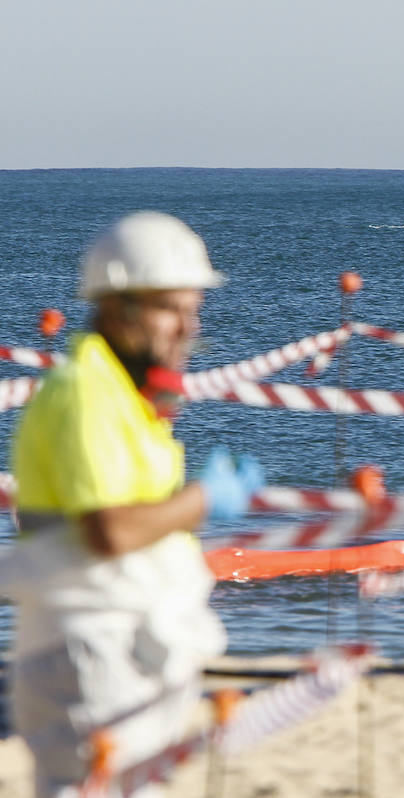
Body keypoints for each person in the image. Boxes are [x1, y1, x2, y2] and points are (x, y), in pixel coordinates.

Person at [3, 211, 265, 797]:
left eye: (193, 311)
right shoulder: (84, 392)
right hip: (87, 648)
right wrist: (203, 499)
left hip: (122, 645)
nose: (187, 327)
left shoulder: (125, 398)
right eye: (171, 309)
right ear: (118, 307)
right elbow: (110, 532)